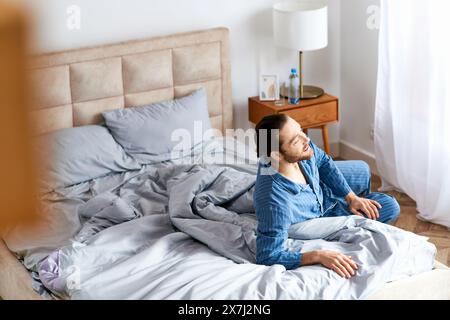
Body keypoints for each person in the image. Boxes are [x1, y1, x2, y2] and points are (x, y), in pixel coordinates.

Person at [253, 114, 400, 278]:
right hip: (319, 215)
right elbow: (268, 255)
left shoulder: (302, 149)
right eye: (296, 140)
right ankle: (362, 226)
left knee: (363, 170)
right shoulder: (274, 200)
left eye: (301, 130)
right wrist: (318, 255)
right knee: (389, 206)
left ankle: (360, 205)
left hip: (320, 190)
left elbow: (323, 161)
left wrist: (351, 197)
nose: (306, 139)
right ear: (277, 155)